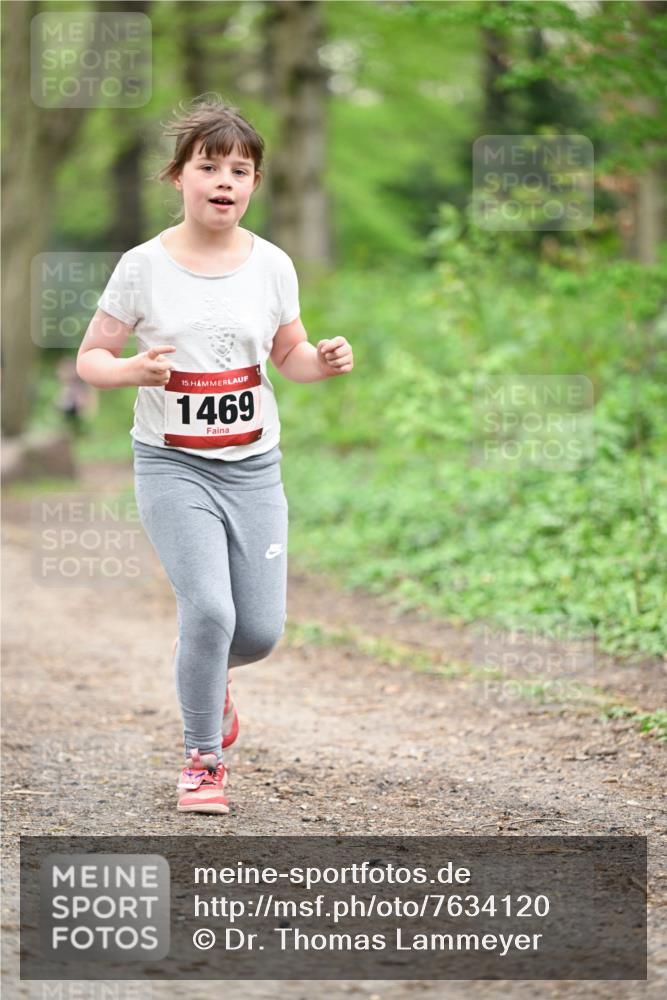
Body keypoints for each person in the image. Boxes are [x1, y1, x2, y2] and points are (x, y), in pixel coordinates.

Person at [76, 96, 354, 815]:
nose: (224, 179)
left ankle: (211, 677)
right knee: (207, 610)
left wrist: (320, 361)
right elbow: (91, 359)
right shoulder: (142, 267)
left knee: (256, 631)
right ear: (178, 177)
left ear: (255, 183)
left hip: (254, 467)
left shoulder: (272, 266)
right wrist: (132, 371)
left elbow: (286, 353)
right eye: (209, 166)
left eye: (240, 168)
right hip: (173, 465)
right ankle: (203, 759)